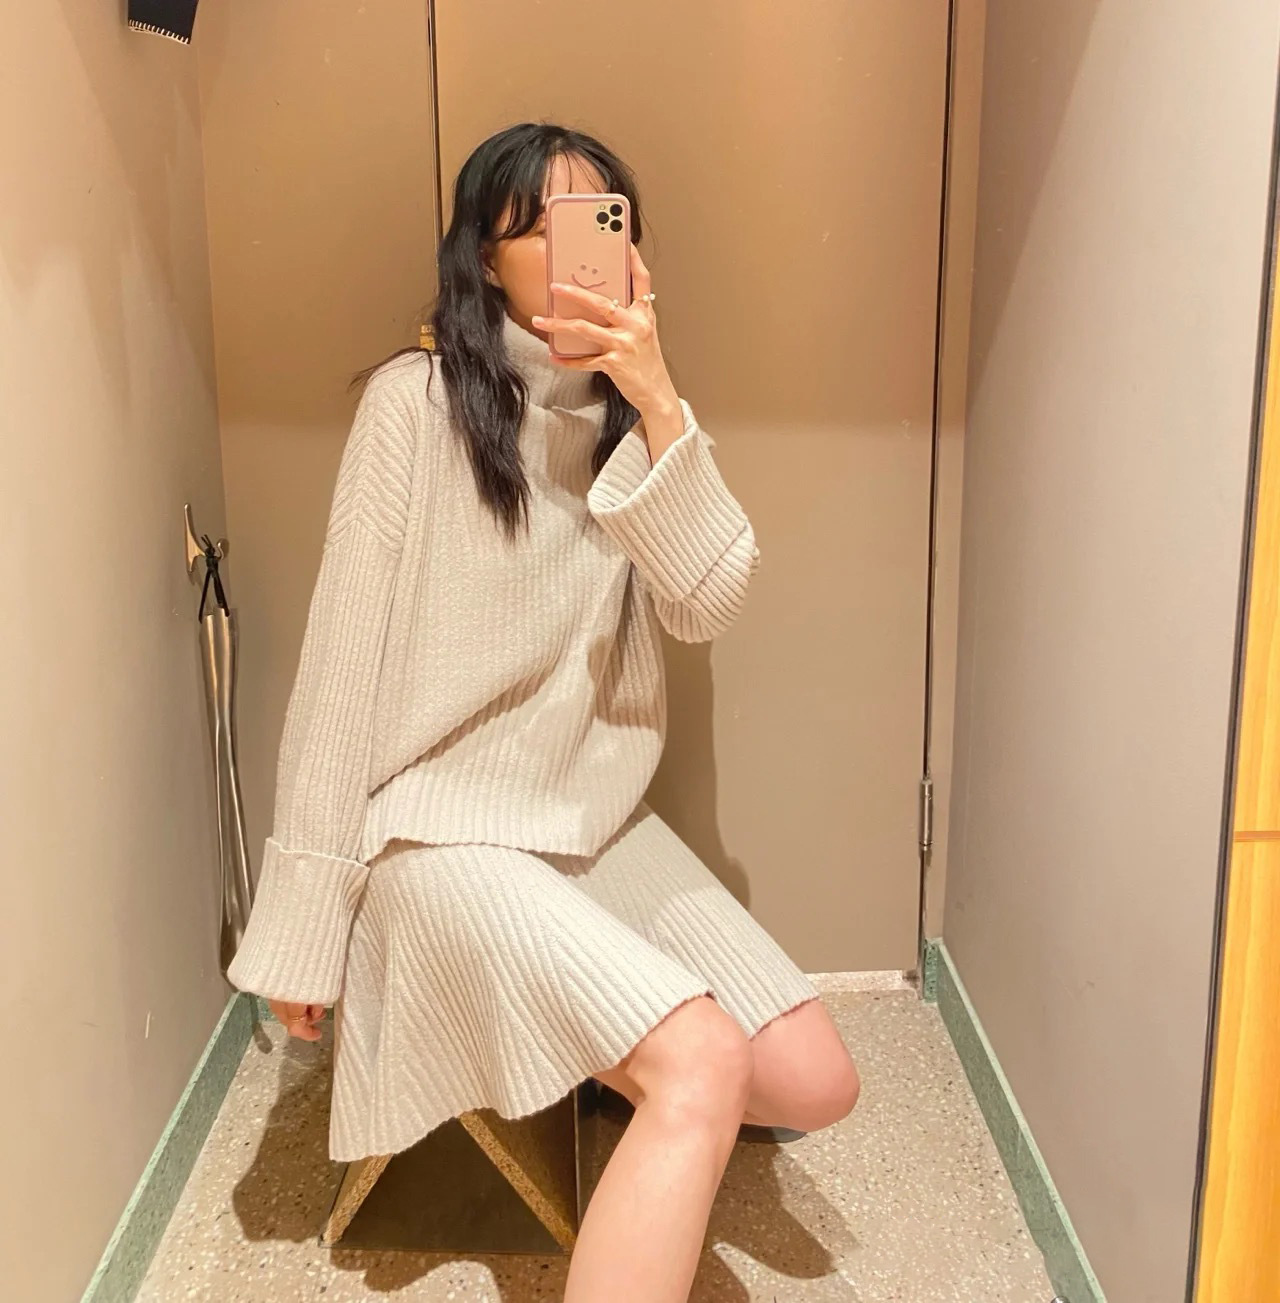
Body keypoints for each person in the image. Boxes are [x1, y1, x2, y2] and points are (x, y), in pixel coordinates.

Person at [227, 121, 860, 1302]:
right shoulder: (413, 405)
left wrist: (658, 399)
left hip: (589, 825)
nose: (580, 255)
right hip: (438, 835)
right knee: (700, 1064)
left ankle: (593, 1042)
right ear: (484, 257)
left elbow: (707, 604)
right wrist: (306, 926)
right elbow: (338, 675)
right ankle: (640, 1062)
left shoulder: (633, 420)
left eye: (602, 224)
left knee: (818, 1083)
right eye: (544, 228)